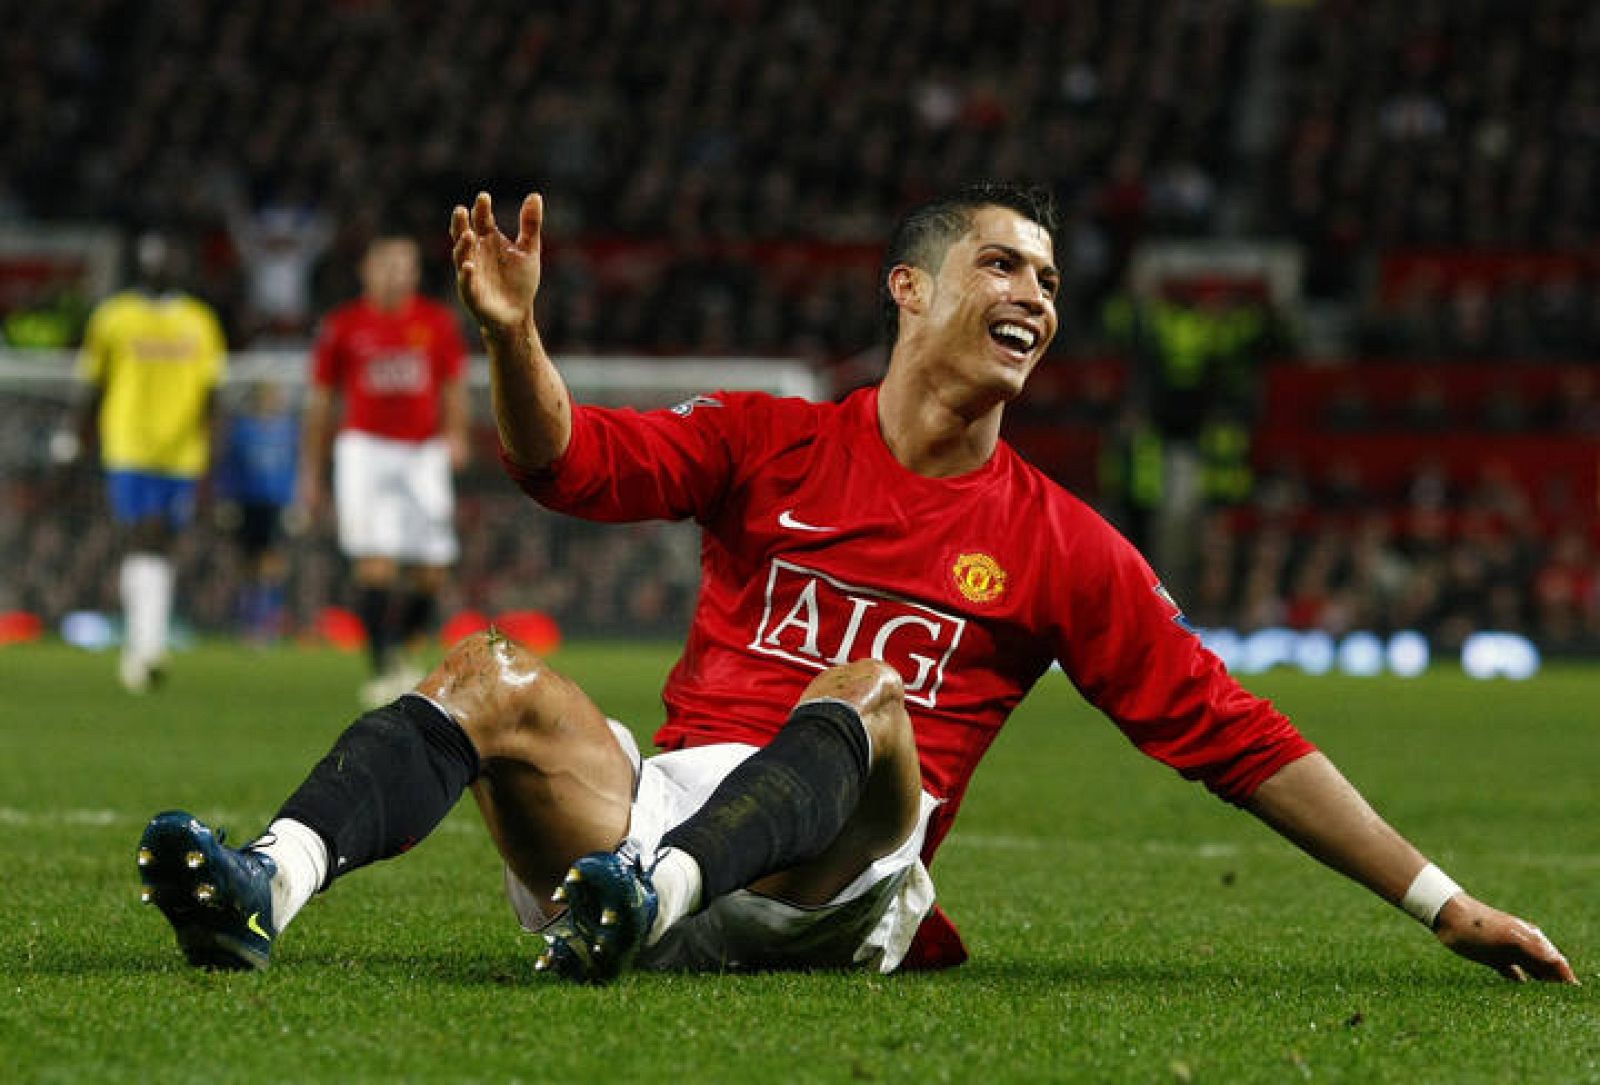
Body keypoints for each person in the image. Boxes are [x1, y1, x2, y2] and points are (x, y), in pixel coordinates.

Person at [137, 185, 1575, 986]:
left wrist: (1445, 903)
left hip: (847, 877)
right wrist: (514, 339)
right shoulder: (767, 441)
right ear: (910, 290)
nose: (1036, 295)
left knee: (867, 692)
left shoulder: (1062, 540)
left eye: (1053, 281)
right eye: (1004, 262)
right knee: (486, 670)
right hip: (650, 824)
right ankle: (270, 882)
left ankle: (645, 896)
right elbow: (562, 464)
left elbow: (1235, 736)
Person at [297, 236, 471, 706]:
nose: (396, 274)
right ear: (367, 271)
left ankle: (405, 650)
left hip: (423, 452)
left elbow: (453, 384)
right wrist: (311, 472)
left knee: (432, 568)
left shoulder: (436, 323)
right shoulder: (344, 326)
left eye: (405, 266)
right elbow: (321, 401)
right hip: (365, 449)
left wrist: (456, 435)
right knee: (375, 561)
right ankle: (382, 665)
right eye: (387, 265)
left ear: (415, 273)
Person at [72, 231, 227, 693]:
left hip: (181, 452)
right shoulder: (114, 318)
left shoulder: (199, 321)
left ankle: (142, 645)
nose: (160, 265)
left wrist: (213, 455)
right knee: (144, 535)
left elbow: (213, 396)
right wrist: (75, 438)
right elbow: (93, 385)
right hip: (128, 446)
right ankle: (146, 647)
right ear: (138, 264)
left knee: (161, 543)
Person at [215, 379, 300, 644]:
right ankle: (248, 622)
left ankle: (268, 623)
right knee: (247, 564)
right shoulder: (242, 430)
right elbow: (230, 466)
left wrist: (297, 503)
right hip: (248, 502)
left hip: (276, 503)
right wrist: (226, 499)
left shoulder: (289, 431)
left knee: (273, 563)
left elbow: (296, 468)